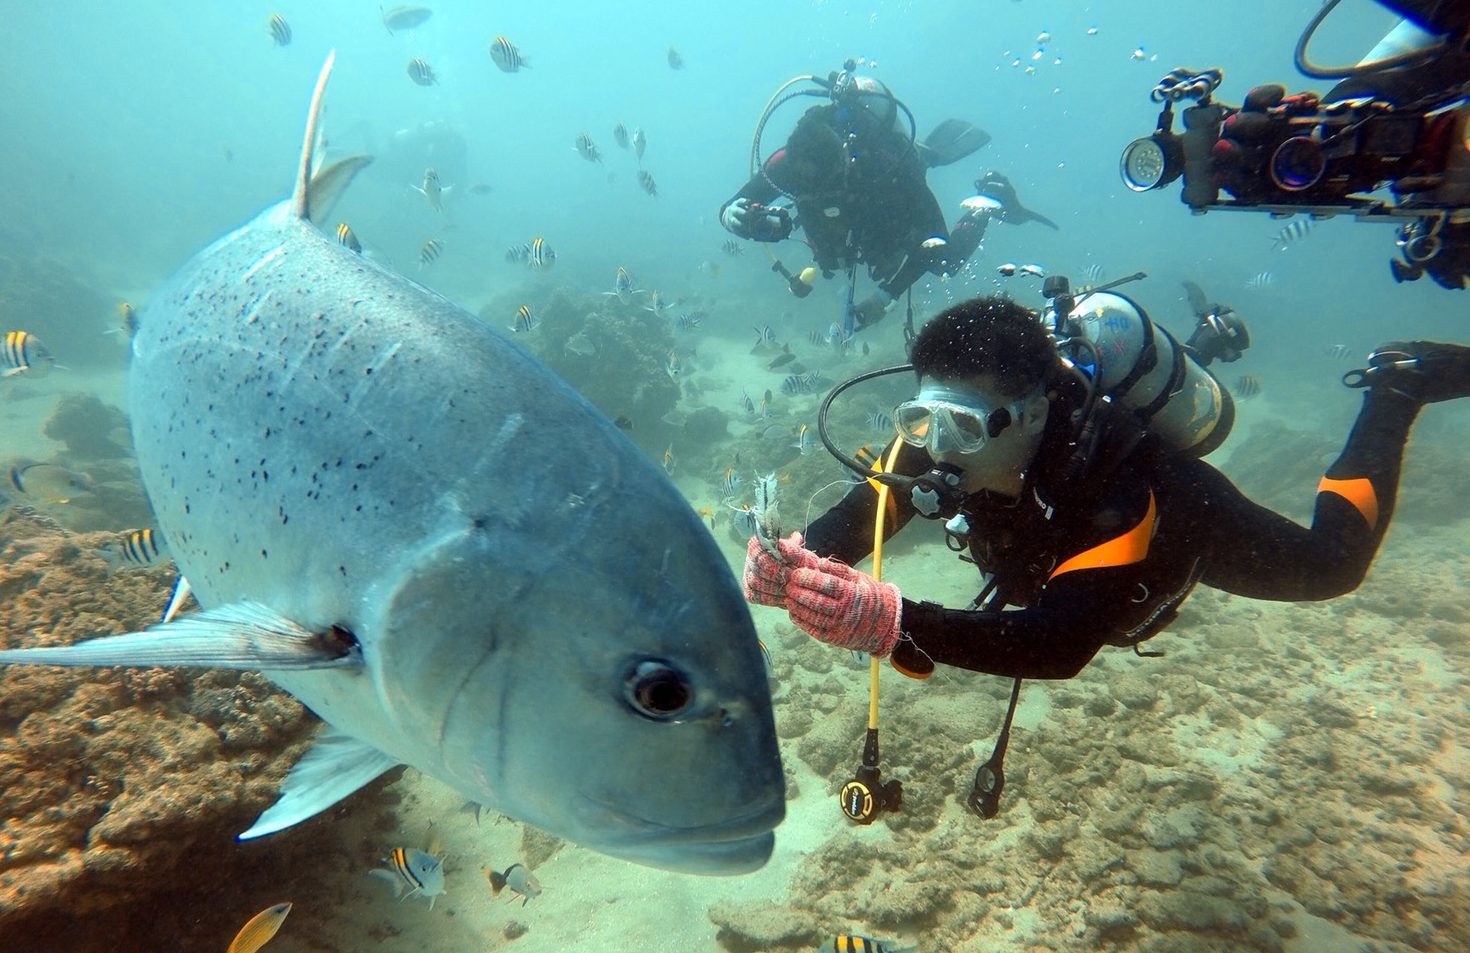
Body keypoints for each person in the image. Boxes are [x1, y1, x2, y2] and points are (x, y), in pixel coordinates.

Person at [744, 295, 1470, 680]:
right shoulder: (944, 427)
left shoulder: (1118, 490)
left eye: (959, 426)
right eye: (921, 418)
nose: (936, 445)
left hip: (1187, 531)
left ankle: (1395, 390)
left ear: (1031, 413)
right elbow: (872, 503)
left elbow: (1059, 645)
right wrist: (799, 553)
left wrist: (891, 620)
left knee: (1332, 566)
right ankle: (1207, 339)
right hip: (1056, 540)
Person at [718, 71, 1056, 329]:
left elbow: (934, 243)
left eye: (825, 184)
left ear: (844, 165)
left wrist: (886, 297)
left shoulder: (886, 168)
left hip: (887, 218)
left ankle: (987, 202)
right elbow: (733, 205)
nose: (815, 192)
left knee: (946, 264)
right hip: (842, 238)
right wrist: (737, 217)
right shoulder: (788, 162)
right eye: (804, 184)